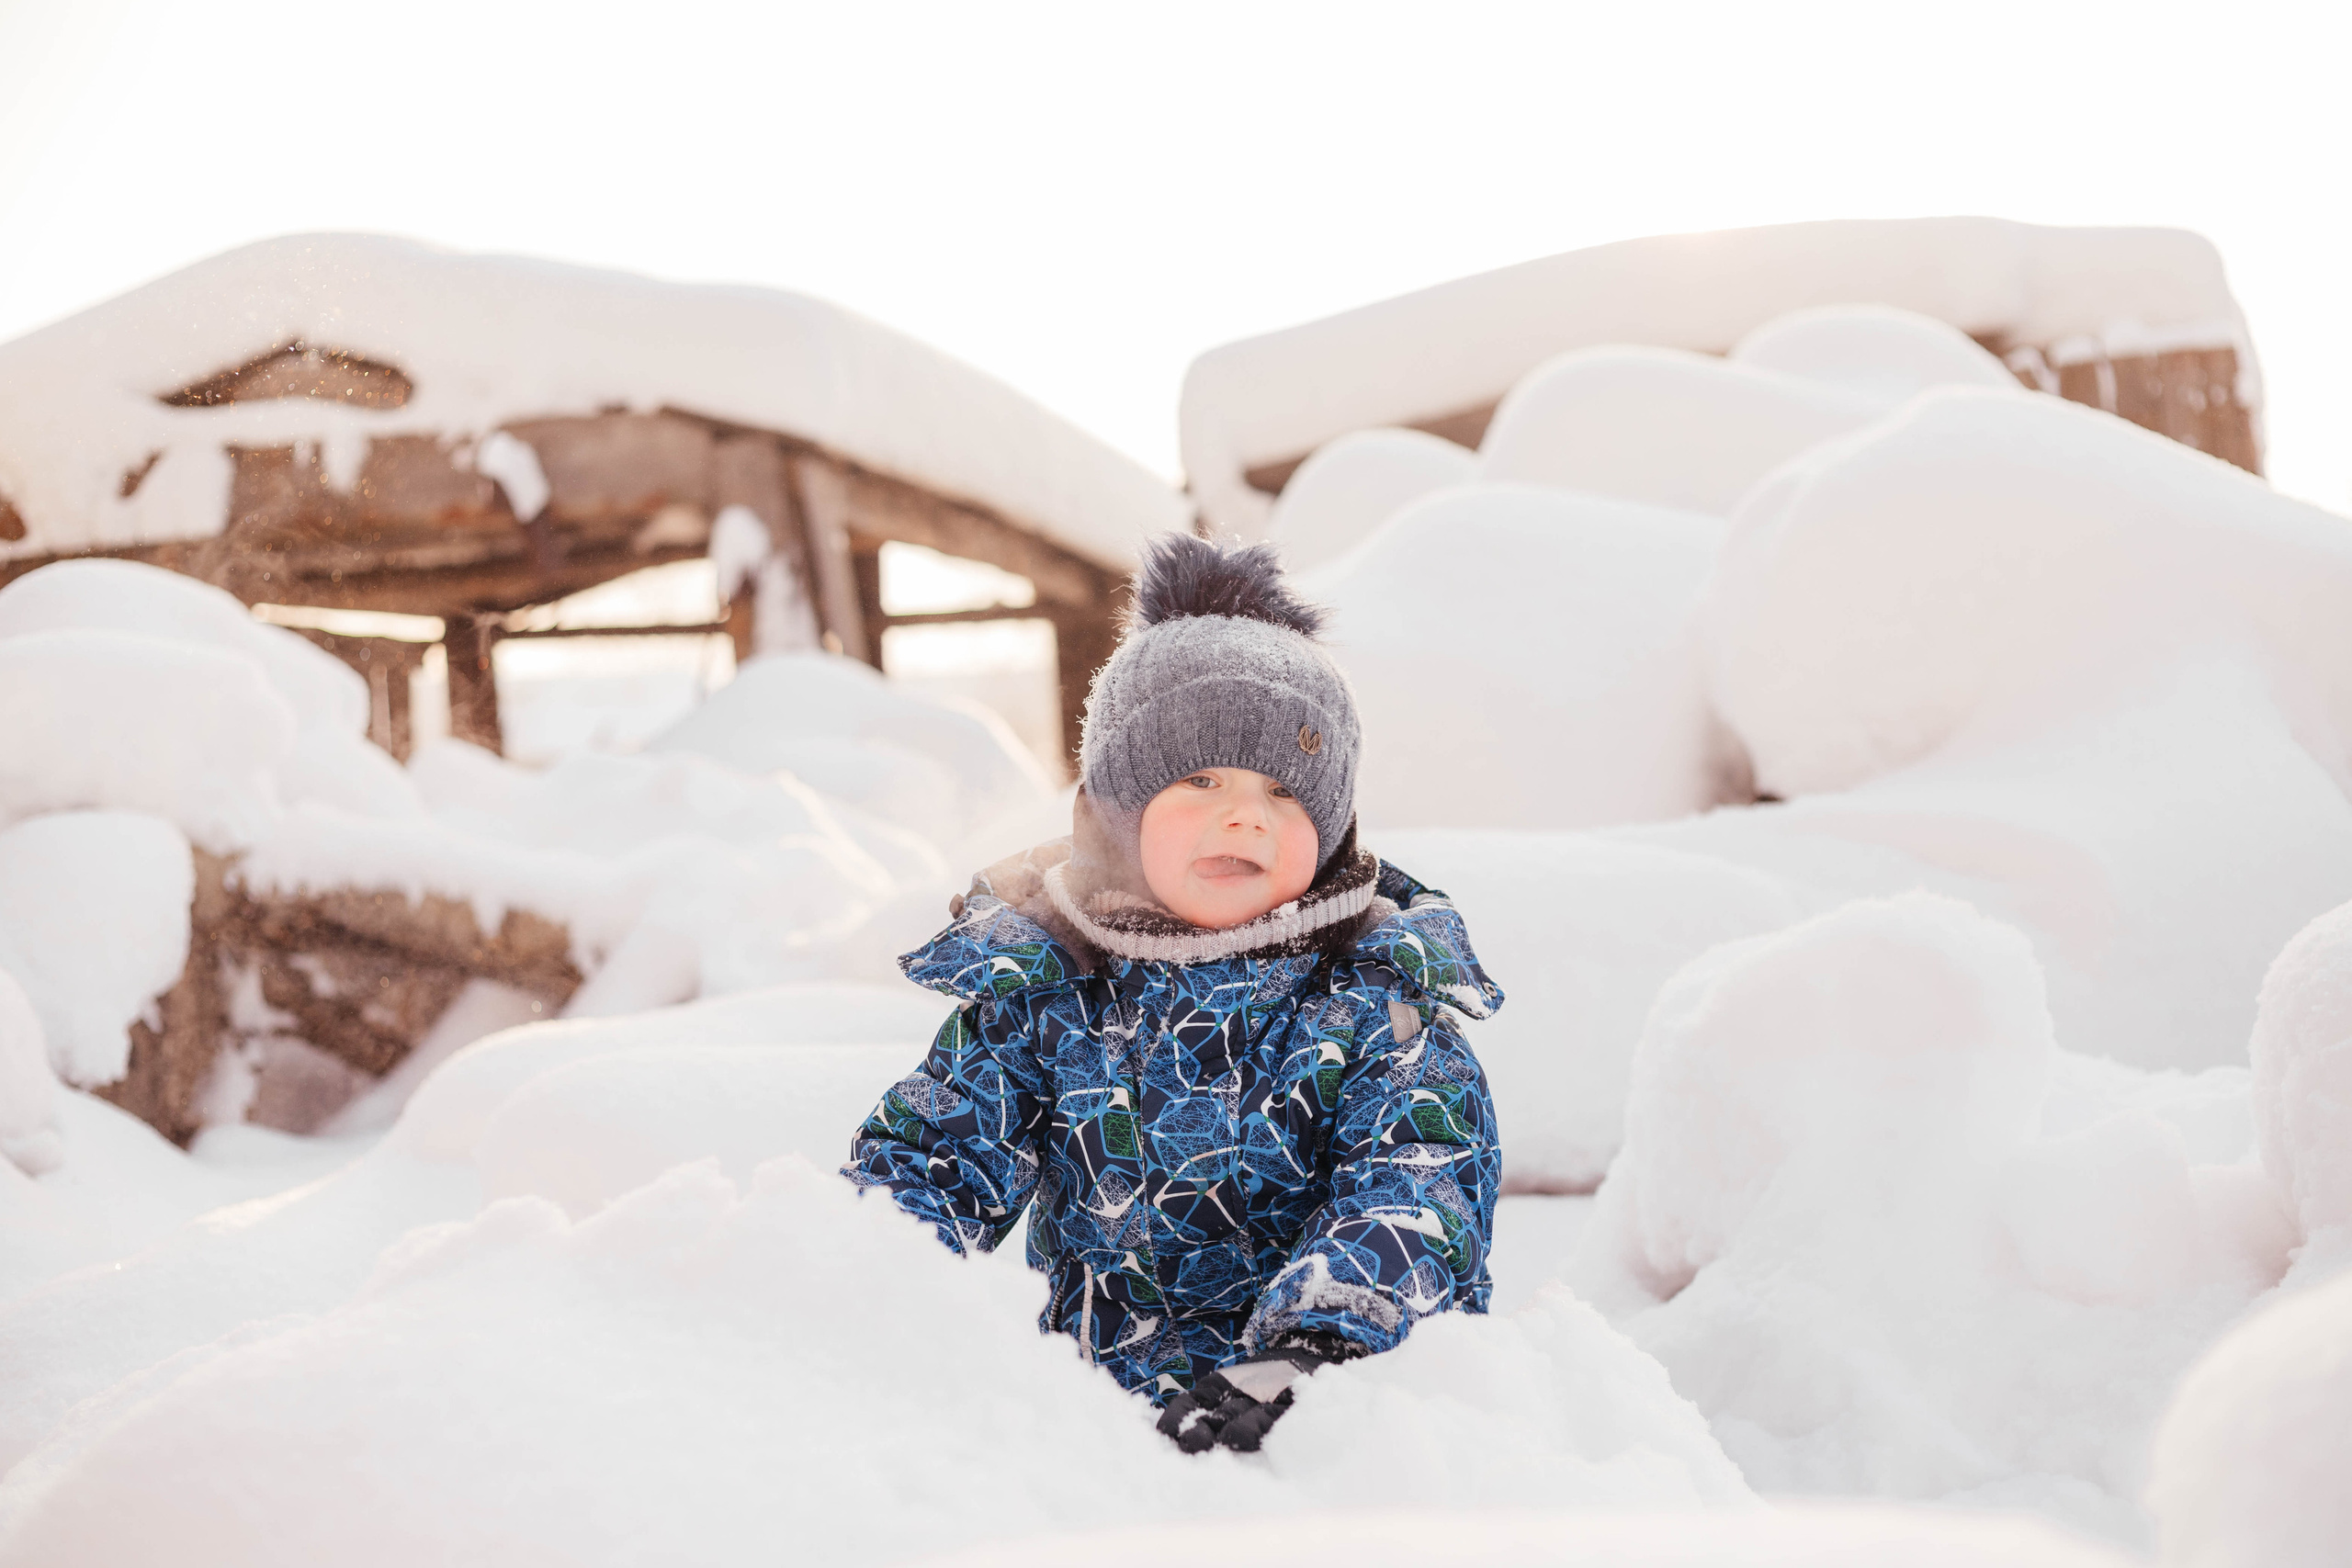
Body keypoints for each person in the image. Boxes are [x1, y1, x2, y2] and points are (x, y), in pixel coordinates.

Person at [841, 532, 1502, 1453]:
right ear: (1113, 812)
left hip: (1317, 1439)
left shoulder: (1372, 1009)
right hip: (1097, 1447)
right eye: (1200, 780)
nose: (1245, 814)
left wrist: (1314, 1353)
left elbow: (1416, 1188)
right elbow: (932, 1163)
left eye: (1285, 791)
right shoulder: (1048, 995)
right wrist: (843, 1290)